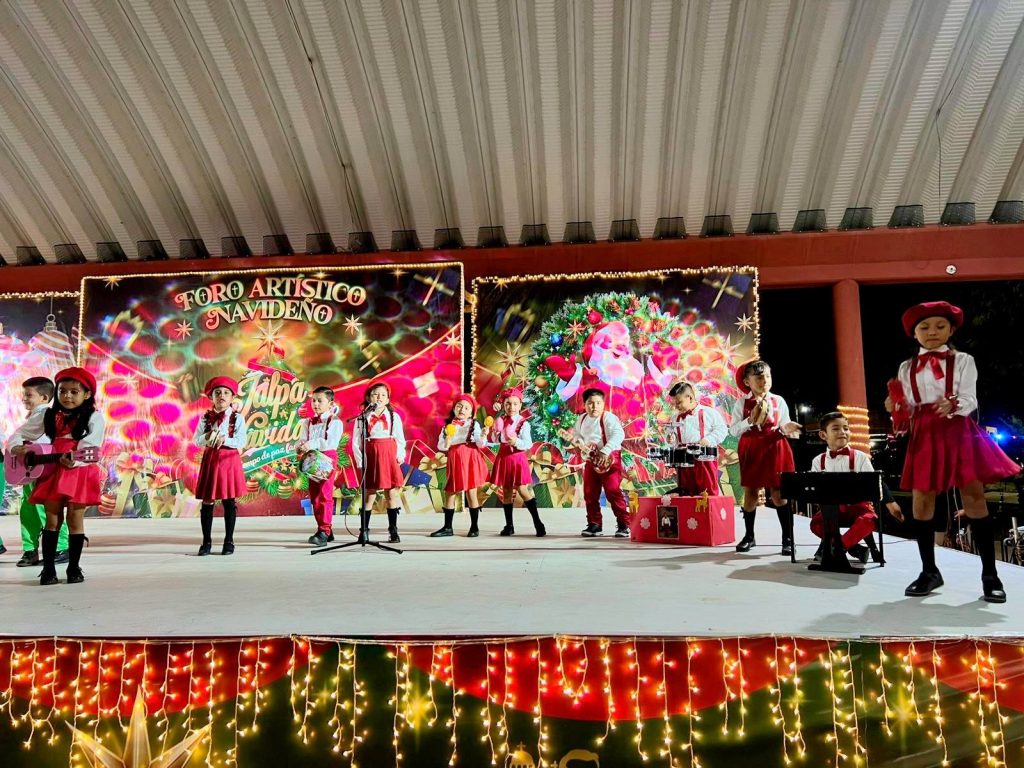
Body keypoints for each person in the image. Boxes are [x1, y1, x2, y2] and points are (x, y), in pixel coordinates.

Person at [886, 301, 1020, 602]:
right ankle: (929, 571)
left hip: (958, 431)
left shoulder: (963, 360)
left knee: (973, 499)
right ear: (914, 333)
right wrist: (896, 408)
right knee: (922, 502)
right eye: (924, 327)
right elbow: (907, 408)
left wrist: (955, 404)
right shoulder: (906, 367)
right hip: (924, 434)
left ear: (951, 330)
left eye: (940, 326)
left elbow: (970, 399)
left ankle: (990, 576)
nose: (932, 332)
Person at [24, 368, 105, 585]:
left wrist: (75, 461)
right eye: (62, 391)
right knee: (52, 519)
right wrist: (16, 446)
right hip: (53, 469)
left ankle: (73, 568)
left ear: (87, 394)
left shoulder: (94, 417)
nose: (67, 396)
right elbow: (24, 433)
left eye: (74, 392)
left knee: (75, 520)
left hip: (80, 471)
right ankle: (48, 570)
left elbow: (91, 446)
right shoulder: (49, 415)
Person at [809, 411, 904, 563]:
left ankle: (838, 547)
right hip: (832, 509)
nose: (842, 432)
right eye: (836, 429)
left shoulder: (860, 457)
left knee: (869, 520)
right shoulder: (817, 461)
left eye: (846, 428)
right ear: (823, 435)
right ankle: (853, 548)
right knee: (816, 523)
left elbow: (876, 481)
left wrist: (890, 503)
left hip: (859, 507)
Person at [728, 360, 801, 554]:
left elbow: (784, 424)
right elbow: (733, 430)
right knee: (751, 493)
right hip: (752, 448)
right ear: (747, 382)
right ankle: (749, 536)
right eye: (759, 377)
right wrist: (749, 420)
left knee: (778, 494)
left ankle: (788, 539)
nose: (765, 381)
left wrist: (787, 428)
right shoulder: (741, 403)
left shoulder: (778, 400)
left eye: (768, 376)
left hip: (775, 447)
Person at [6, 377, 70, 567]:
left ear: (44, 398)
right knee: (30, 510)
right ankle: (32, 549)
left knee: (45, 509)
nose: (24, 398)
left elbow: (19, 437)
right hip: (32, 471)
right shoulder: (35, 416)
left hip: (45, 471)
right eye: (24, 394)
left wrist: (16, 445)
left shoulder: (47, 414)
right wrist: (18, 447)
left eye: (29, 395)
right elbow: (18, 437)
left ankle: (59, 547)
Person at [193, 376, 247, 556]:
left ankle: (229, 541)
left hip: (229, 461)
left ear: (232, 397)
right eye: (217, 393)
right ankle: (206, 542)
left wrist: (225, 440)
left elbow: (241, 441)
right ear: (211, 397)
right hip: (211, 460)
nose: (221, 396)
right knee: (207, 500)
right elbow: (196, 440)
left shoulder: (237, 418)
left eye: (225, 393)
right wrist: (207, 437)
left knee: (229, 500)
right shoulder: (205, 418)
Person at [567, 387, 630, 537]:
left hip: (609, 459)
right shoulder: (582, 419)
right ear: (584, 404)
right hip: (591, 460)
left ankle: (624, 524)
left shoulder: (608, 418)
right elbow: (578, 434)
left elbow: (618, 434)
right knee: (590, 492)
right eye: (590, 403)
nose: (594, 406)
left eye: (598, 403)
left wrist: (605, 451)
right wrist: (580, 442)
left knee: (612, 491)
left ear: (603, 404)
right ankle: (594, 524)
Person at [351, 382, 406, 543]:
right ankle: (364, 530)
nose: (379, 397)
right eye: (375, 394)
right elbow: (356, 441)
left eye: (383, 395)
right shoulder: (362, 417)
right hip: (371, 454)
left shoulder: (394, 417)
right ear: (369, 398)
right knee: (369, 494)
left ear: (388, 399)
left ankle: (393, 530)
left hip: (389, 454)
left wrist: (399, 456)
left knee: (391, 493)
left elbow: (400, 439)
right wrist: (361, 460)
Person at [488, 387, 545, 537]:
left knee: (522, 490)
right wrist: (494, 432)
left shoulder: (523, 423)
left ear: (520, 405)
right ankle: (509, 525)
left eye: (515, 404)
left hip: (517, 459)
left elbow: (528, 444)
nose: (511, 407)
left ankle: (538, 522)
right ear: (503, 405)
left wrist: (516, 442)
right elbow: (495, 440)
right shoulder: (501, 421)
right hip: (504, 457)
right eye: (508, 404)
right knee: (506, 491)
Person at [433, 394, 489, 537]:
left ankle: (474, 527)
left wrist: (483, 435)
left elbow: (480, 444)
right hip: (455, 459)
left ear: (471, 413)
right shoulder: (448, 426)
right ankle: (447, 527)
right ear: (454, 408)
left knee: (471, 492)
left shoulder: (473, 424)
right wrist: (447, 440)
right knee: (450, 492)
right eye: (459, 406)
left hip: (470, 458)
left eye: (466, 408)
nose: (462, 409)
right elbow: (441, 446)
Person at [665, 379, 727, 496]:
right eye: (675, 404)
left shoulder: (709, 412)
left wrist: (708, 440)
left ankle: (710, 507)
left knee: (707, 491)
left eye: (679, 402)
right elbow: (670, 435)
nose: (676, 407)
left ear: (690, 398)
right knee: (686, 491)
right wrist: (670, 438)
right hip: (683, 459)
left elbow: (722, 430)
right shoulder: (675, 418)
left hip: (704, 457)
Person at [298, 386, 343, 546]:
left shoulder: (334, 421)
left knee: (324, 494)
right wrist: (300, 446)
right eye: (314, 401)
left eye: (320, 401)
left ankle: (324, 531)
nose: (315, 404)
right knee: (315, 496)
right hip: (312, 459)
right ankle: (324, 528)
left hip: (326, 459)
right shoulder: (308, 422)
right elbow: (303, 439)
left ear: (330, 404)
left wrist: (311, 444)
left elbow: (331, 443)